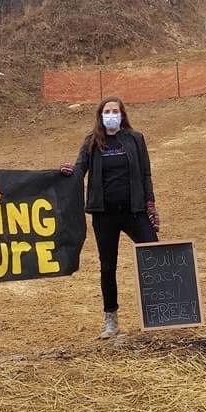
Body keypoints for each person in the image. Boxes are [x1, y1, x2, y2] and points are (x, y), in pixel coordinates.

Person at [60, 97, 159, 339]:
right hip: (104, 215)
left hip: (134, 211)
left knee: (155, 255)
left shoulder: (135, 139)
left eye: (115, 111)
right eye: (107, 111)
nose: (111, 114)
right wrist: (68, 172)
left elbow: (145, 173)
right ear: (100, 115)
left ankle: (160, 311)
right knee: (108, 266)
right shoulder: (92, 142)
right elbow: (80, 169)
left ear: (122, 114)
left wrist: (150, 204)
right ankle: (111, 319)